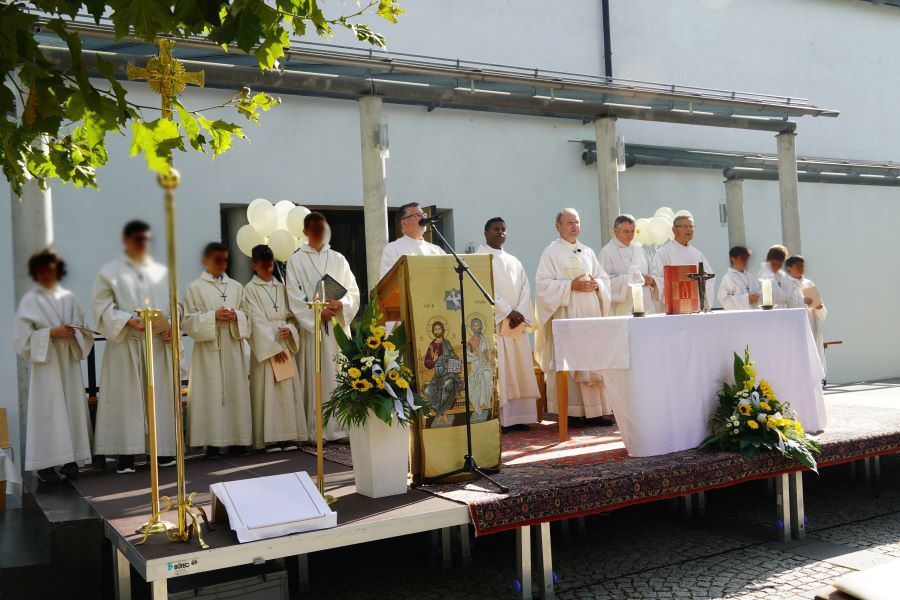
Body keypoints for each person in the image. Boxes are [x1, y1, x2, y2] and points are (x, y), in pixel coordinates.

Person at [93, 220, 176, 474]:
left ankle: (160, 452)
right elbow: (100, 307)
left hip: (155, 344)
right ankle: (125, 456)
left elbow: (175, 303)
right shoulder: (110, 273)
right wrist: (128, 320)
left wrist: (171, 325)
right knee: (125, 400)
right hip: (126, 344)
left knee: (157, 399)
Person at [14, 250, 93, 483]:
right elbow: (21, 338)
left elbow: (83, 327)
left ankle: (71, 460)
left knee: (70, 407)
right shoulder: (29, 301)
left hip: (67, 357)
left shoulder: (69, 299)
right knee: (48, 411)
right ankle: (45, 465)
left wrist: (73, 332)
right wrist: (50, 332)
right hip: (46, 361)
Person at [286, 212, 361, 442]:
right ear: (306, 232)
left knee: (340, 376)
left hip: (338, 328)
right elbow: (294, 296)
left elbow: (353, 291)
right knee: (317, 378)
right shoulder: (295, 260)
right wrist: (317, 314)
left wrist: (340, 304)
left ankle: (344, 428)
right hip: (314, 332)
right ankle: (317, 430)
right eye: (315, 229)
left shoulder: (338, 258)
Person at [535, 208, 613, 424]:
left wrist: (597, 285)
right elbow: (542, 285)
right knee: (572, 361)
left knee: (591, 358)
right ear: (557, 226)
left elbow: (604, 279)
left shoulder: (587, 251)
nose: (574, 226)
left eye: (577, 222)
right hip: (567, 315)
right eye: (569, 222)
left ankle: (596, 411)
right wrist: (572, 285)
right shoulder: (551, 252)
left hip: (590, 315)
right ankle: (572, 413)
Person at [183, 242, 252, 457]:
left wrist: (236, 316)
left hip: (232, 345)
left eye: (224, 259)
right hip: (208, 349)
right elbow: (186, 321)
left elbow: (249, 316)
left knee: (235, 390)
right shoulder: (194, 288)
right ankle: (211, 443)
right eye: (217, 259)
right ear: (206, 261)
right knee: (209, 392)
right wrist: (213, 316)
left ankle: (238, 441)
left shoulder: (236, 287)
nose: (222, 264)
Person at [477, 217, 540, 429]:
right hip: (496, 324)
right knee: (502, 369)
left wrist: (520, 312)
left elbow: (525, 288)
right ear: (485, 232)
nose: (501, 232)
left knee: (520, 368)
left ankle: (521, 417)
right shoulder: (478, 258)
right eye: (496, 229)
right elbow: (481, 287)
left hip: (515, 325)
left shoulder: (514, 260)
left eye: (504, 229)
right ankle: (504, 420)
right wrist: (506, 311)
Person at [242, 244, 306, 450]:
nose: (268, 270)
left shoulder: (282, 287)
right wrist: (273, 347)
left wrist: (290, 329)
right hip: (268, 347)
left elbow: (293, 315)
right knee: (268, 391)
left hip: (285, 341)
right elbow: (255, 322)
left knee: (287, 391)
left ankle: (288, 435)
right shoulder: (249, 290)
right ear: (254, 265)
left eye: (270, 266)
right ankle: (270, 438)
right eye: (263, 266)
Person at [651, 215, 715, 310]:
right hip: (673, 308)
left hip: (694, 306)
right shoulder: (663, 253)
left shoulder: (697, 254)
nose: (689, 230)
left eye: (691, 227)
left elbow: (710, 277)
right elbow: (657, 279)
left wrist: (703, 282)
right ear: (674, 230)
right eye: (685, 227)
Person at [599, 215, 656, 316]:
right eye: (626, 232)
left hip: (646, 306)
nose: (630, 235)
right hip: (622, 310)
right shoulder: (607, 252)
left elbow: (653, 272)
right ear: (615, 231)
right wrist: (631, 279)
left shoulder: (640, 250)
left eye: (632, 231)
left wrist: (651, 280)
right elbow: (603, 283)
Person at [785, 255, 828, 373]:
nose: (801, 268)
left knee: (814, 354)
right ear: (789, 267)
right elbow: (785, 306)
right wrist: (801, 302)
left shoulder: (809, 283)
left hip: (812, 324)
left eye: (802, 266)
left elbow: (820, 304)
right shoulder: (786, 284)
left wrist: (819, 307)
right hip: (797, 326)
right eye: (797, 266)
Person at [380, 202, 445, 277]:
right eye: (418, 215)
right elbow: (389, 281)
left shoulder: (437, 250)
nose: (423, 217)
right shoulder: (392, 249)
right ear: (404, 222)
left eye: (424, 214)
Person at [717, 246, 761, 311]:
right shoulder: (728, 278)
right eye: (742, 259)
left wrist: (757, 297)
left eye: (746, 259)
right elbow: (724, 300)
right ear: (733, 259)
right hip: (737, 317)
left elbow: (759, 292)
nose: (745, 261)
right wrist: (746, 299)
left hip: (754, 314)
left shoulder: (750, 277)